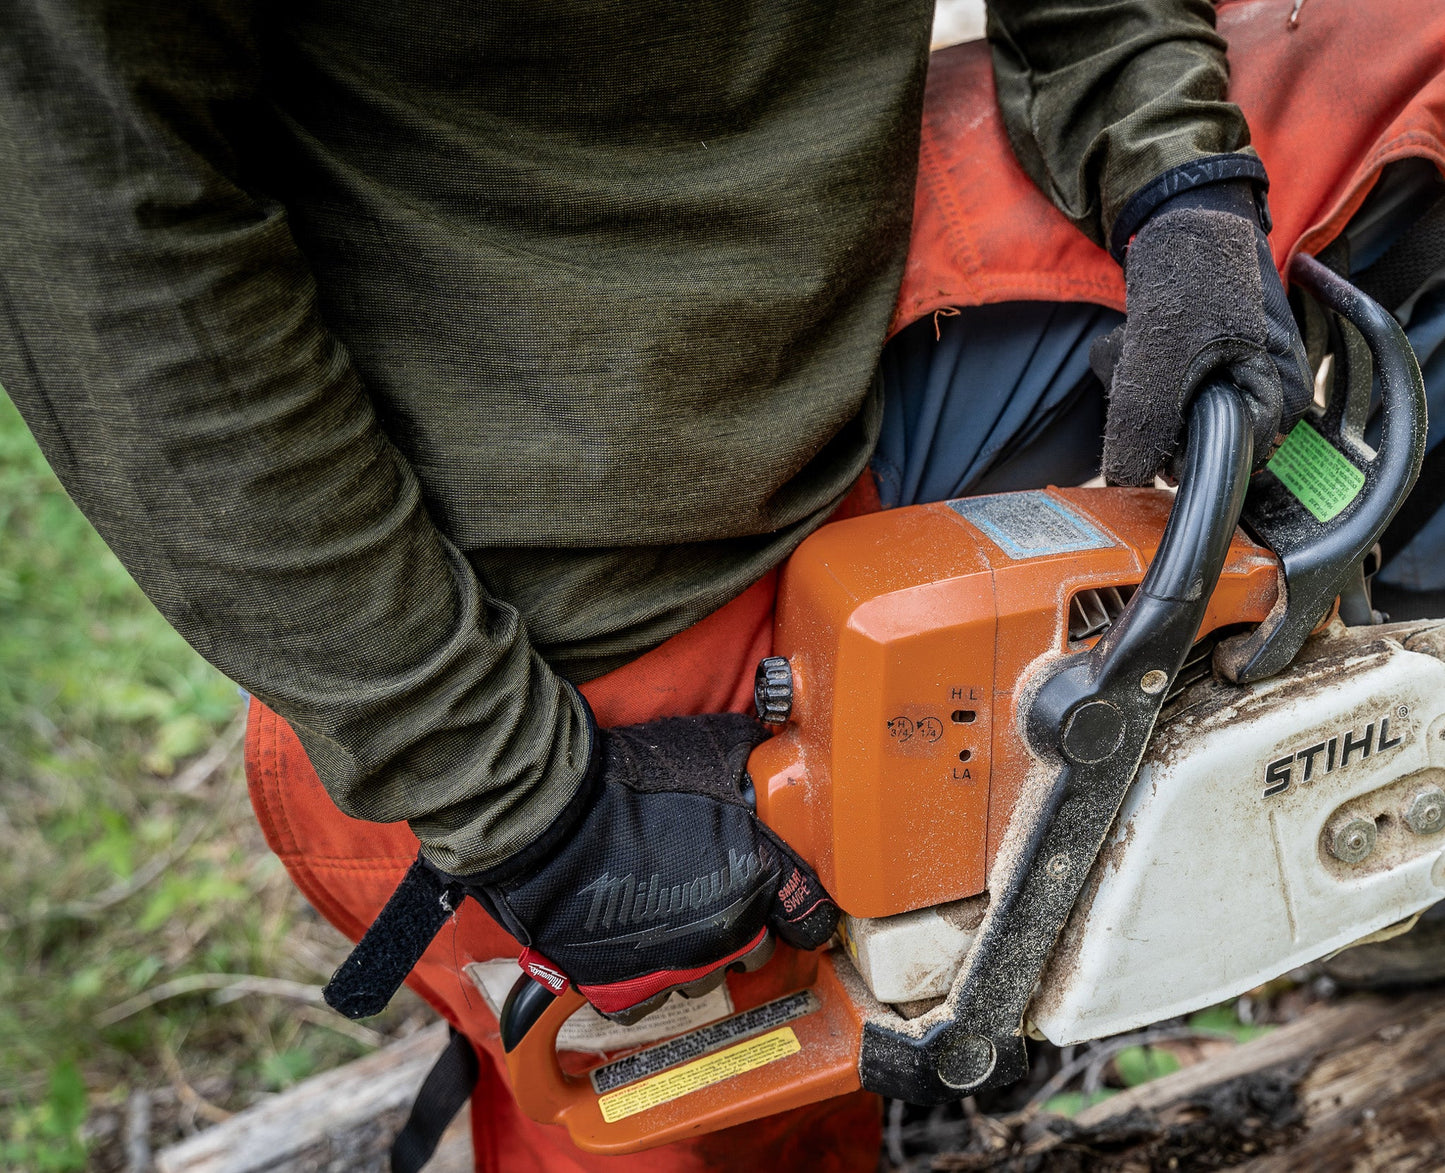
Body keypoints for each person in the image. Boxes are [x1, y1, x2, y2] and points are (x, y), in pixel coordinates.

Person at [3, 0, 1444, 1168]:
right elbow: (97, 245)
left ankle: (1392, 851)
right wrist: (507, 793)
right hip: (552, 617)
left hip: (839, 307)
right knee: (699, 1104)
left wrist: (1181, 190)